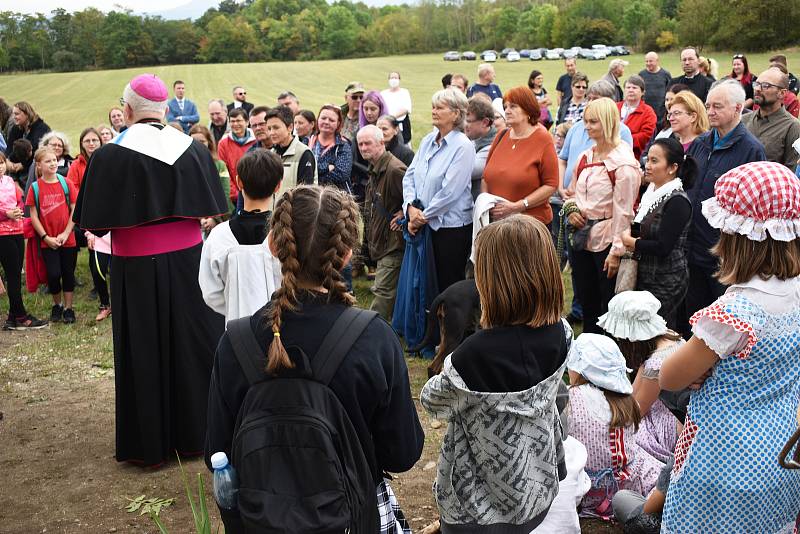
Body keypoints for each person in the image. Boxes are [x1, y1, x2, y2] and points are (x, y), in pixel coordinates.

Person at [205, 184, 424, 533]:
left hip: (260, 521)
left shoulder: (236, 342)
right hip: (350, 518)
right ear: (348, 254)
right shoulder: (373, 338)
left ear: (274, 246)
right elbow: (402, 452)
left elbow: (216, 454)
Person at [74, 73, 227, 467]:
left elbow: (95, 223)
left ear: (126, 110)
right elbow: (212, 207)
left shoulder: (109, 155)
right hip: (189, 264)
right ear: (163, 109)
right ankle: (196, 435)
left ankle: (149, 444)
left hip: (136, 267)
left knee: (143, 348)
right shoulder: (192, 150)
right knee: (192, 346)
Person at [659, 161, 800, 533]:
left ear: (735, 237)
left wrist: (695, 362)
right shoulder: (796, 292)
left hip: (725, 459)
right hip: (781, 449)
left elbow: (672, 377)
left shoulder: (734, 312)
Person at [420, 215, 571, 533]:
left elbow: (432, 400)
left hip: (476, 508)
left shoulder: (472, 355)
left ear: (491, 283)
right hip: (535, 488)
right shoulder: (562, 332)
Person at [395, 88, 475, 350]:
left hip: (450, 228)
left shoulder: (462, 146)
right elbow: (410, 176)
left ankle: (449, 342)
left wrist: (422, 217)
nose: (434, 111)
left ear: (456, 114)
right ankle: (427, 335)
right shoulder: (429, 139)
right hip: (423, 222)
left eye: (440, 107)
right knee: (426, 284)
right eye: (433, 106)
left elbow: (451, 192)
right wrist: (409, 209)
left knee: (447, 286)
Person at [684, 79, 766, 325]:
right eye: (708, 106)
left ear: (738, 108)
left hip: (724, 254)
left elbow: (753, 209)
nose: (710, 112)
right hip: (691, 247)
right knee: (693, 316)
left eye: (717, 106)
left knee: (721, 321)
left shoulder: (751, 150)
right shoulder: (700, 143)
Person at [563, 97, 641, 334]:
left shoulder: (623, 163)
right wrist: (572, 210)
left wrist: (617, 251)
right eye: (585, 121)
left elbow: (624, 211)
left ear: (607, 122)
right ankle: (587, 348)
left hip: (607, 240)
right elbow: (573, 192)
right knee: (586, 298)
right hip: (582, 237)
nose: (587, 126)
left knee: (607, 303)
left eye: (593, 121)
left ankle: (608, 355)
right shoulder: (586, 156)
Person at [567, 333, 663, 519]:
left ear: (580, 369)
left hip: (587, 487)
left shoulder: (572, 398)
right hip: (625, 483)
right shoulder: (627, 400)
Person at [599, 291, 683, 463]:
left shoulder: (657, 364)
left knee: (623, 434)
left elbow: (637, 412)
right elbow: (634, 392)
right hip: (667, 410)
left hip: (668, 422)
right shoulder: (669, 337)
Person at [199, 149, 282, 322]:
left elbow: (210, 292)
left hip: (237, 330)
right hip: (284, 325)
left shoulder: (219, 236)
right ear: (278, 186)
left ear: (238, 182)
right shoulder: (288, 233)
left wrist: (234, 306)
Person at [622, 138, 695, 328]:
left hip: (667, 279)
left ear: (672, 168)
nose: (648, 165)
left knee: (656, 331)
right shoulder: (652, 192)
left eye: (655, 161)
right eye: (648, 159)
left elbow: (664, 247)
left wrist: (632, 243)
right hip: (647, 274)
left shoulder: (677, 200)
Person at [482, 86, 559, 224]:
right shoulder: (501, 136)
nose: (507, 111)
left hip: (529, 226)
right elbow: (485, 177)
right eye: (505, 107)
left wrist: (518, 206)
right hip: (496, 223)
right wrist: (486, 203)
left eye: (513, 106)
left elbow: (551, 185)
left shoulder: (543, 139)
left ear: (528, 109)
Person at [357, 125, 406, 320]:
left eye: (367, 143)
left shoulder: (394, 169)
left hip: (393, 243)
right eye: (360, 144)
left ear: (381, 143)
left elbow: (418, 196)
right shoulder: (375, 168)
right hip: (381, 241)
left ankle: (369, 330)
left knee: (383, 293)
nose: (363, 147)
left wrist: (404, 211)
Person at [27, 147, 78, 324]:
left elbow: (74, 209)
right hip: (47, 240)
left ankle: (68, 308)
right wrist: (45, 237)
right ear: (39, 165)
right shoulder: (35, 188)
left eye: (55, 160)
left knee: (68, 273)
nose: (53, 163)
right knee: (54, 274)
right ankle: (57, 305)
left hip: (68, 238)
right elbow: (33, 215)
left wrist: (66, 233)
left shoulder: (66, 183)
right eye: (48, 161)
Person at [0, 152, 47, 330]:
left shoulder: (9, 181)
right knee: (12, 276)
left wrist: (18, 211)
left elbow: (19, 200)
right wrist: (6, 214)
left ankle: (12, 317)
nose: (0, 167)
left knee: (15, 276)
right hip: (2, 234)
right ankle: (21, 316)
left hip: (17, 229)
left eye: (2, 163)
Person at [742, 67, 800, 169]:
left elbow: (792, 172)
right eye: (756, 84)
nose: (757, 89)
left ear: (782, 93)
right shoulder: (743, 120)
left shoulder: (792, 126)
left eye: (765, 86)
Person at [264, 105, 316, 200]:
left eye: (276, 128)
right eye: (269, 128)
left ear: (290, 127)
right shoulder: (270, 154)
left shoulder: (304, 153)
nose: (271, 133)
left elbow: (306, 195)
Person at [189, 124, 233, 234]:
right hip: (194, 220)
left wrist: (215, 219)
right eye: (194, 141)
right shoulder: (185, 165)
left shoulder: (219, 165)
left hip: (219, 218)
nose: (198, 145)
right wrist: (200, 218)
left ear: (209, 142)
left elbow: (224, 192)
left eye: (202, 141)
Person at [217, 108, 256, 207]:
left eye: (238, 121)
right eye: (232, 121)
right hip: (235, 197)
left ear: (247, 122)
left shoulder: (256, 141)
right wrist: (236, 194)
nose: (235, 124)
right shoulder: (223, 143)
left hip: (256, 194)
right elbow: (223, 171)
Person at [309, 104, 353, 191]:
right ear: (318, 120)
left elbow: (341, 175)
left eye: (331, 120)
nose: (326, 122)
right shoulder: (308, 141)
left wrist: (313, 177)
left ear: (338, 123)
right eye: (323, 118)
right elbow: (301, 167)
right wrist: (326, 168)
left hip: (335, 198)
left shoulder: (343, 145)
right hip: (310, 195)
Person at [4, 102, 50, 180]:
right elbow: (9, 147)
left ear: (27, 114)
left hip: (33, 168)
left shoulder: (41, 128)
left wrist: (23, 165)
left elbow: (35, 150)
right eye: (13, 114)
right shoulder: (16, 128)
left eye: (17, 114)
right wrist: (7, 161)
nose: (14, 117)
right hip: (15, 166)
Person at [464, 96, 497, 200]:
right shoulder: (473, 137)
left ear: (485, 123)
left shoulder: (493, 146)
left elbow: (466, 171)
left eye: (469, 121)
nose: (464, 125)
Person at [617, 75, 657, 160]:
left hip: (633, 157)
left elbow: (647, 136)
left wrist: (622, 140)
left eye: (634, 88)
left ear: (642, 92)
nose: (631, 90)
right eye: (628, 87)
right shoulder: (614, 107)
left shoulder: (648, 112)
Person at [25, 131, 73, 195]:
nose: (57, 147)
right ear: (46, 145)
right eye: (54, 145)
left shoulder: (70, 164)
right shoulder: (37, 163)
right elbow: (30, 187)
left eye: (60, 146)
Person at [640, 52, 673, 129]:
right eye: (646, 61)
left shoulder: (665, 74)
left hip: (661, 112)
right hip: (646, 112)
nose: (648, 63)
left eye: (651, 61)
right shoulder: (641, 75)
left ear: (657, 61)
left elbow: (670, 92)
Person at [381, 71, 413, 145]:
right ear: (388, 80)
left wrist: (392, 117)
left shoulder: (404, 92)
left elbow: (407, 108)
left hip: (402, 123)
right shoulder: (383, 93)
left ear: (399, 80)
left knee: (404, 146)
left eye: (396, 78)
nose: (394, 79)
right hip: (387, 123)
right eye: (392, 78)